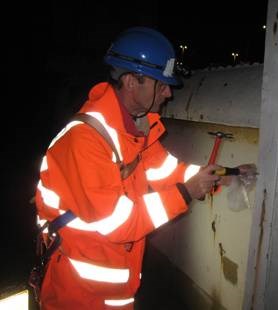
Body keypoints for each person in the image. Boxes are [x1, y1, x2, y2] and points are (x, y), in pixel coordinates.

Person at [33, 27, 254, 309]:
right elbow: (118, 224)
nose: (168, 93)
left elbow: (166, 170)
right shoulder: (85, 140)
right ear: (131, 81)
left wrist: (218, 174)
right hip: (77, 292)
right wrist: (185, 193)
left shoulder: (136, 126)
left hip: (114, 286)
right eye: (161, 84)